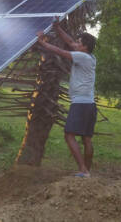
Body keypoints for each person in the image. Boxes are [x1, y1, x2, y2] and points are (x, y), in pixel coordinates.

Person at [37, 17, 97, 178]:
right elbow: (70, 42)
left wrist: (43, 43)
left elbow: (61, 51)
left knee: (69, 135)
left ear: (84, 47)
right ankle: (86, 171)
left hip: (80, 104)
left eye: (79, 42)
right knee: (86, 139)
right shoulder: (90, 57)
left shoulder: (82, 57)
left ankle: (83, 170)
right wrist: (57, 28)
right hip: (90, 104)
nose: (75, 44)